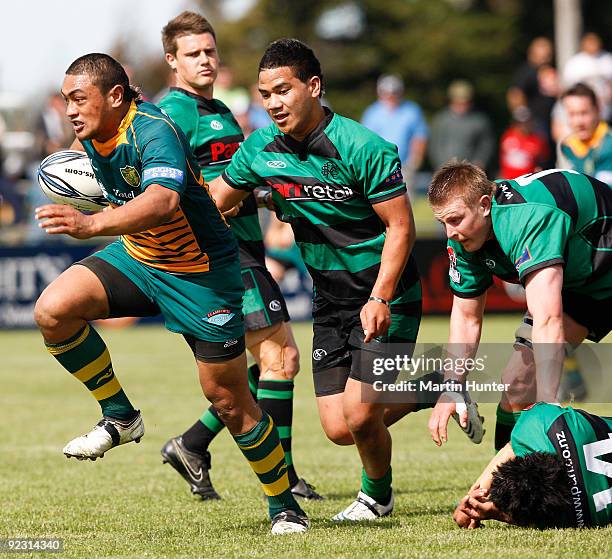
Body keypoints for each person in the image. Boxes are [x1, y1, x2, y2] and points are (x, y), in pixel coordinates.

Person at [203, 38, 480, 521]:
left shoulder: (363, 146)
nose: (273, 103)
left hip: (385, 296)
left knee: (359, 414)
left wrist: (381, 296)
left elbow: (402, 227)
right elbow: (216, 201)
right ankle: (434, 385)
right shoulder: (258, 149)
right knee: (337, 428)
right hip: (329, 300)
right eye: (265, 93)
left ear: (314, 86)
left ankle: (377, 495)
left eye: (283, 90)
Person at [33, 53, 308, 535]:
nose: (71, 110)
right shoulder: (89, 135)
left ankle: (285, 506)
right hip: (139, 258)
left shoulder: (153, 129)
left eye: (80, 99)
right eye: (66, 100)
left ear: (115, 96)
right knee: (53, 310)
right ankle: (120, 416)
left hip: (202, 273)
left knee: (229, 402)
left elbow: (163, 201)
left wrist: (90, 223)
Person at [157, 10, 321, 501]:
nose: (205, 60)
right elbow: (175, 186)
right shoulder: (175, 113)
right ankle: (285, 478)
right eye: (193, 54)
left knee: (254, 367)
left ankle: (192, 443)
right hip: (220, 251)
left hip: (244, 243)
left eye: (210, 50)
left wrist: (270, 197)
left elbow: (232, 179)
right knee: (281, 357)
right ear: (172, 60)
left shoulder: (219, 110)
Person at [427, 161, 612, 452]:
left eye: (455, 220)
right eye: (443, 223)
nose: (449, 233)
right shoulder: (464, 239)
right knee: (517, 383)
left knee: (544, 402)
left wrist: (549, 406)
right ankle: (507, 489)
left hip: (603, 268)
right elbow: (466, 317)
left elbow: (548, 319)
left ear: (485, 205)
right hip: (581, 283)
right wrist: (452, 384)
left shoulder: (528, 219)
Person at [453, 402, 612, 529]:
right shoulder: (542, 421)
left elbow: (536, 519)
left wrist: (488, 510)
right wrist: (473, 500)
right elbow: (511, 448)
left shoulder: (579, 518)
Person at [361, 74, 428, 190]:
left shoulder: (412, 110)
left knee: (407, 203)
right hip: (378, 166)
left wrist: (415, 160)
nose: (390, 96)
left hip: (405, 166)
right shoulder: (372, 112)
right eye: (386, 93)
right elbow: (364, 140)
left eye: (394, 93)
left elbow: (420, 136)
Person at [429, 80, 494, 171]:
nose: (462, 106)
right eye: (458, 102)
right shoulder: (441, 119)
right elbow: (434, 145)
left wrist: (480, 161)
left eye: (466, 102)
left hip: (471, 172)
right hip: (444, 170)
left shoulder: (479, 120)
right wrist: (440, 165)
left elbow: (486, 144)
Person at [559, 82, 612, 185]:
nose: (579, 122)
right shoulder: (566, 147)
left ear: (597, 110)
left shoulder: (609, 143)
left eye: (584, 113)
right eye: (572, 114)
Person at [562, 32, 612, 121]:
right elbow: (568, 86)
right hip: (582, 107)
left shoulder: (607, 59)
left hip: (605, 106)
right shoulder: (575, 62)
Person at [498, 106, 549, 179]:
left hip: (528, 181)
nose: (523, 126)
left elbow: (543, 160)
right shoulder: (507, 136)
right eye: (520, 123)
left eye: (526, 123)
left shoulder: (538, 140)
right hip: (508, 180)